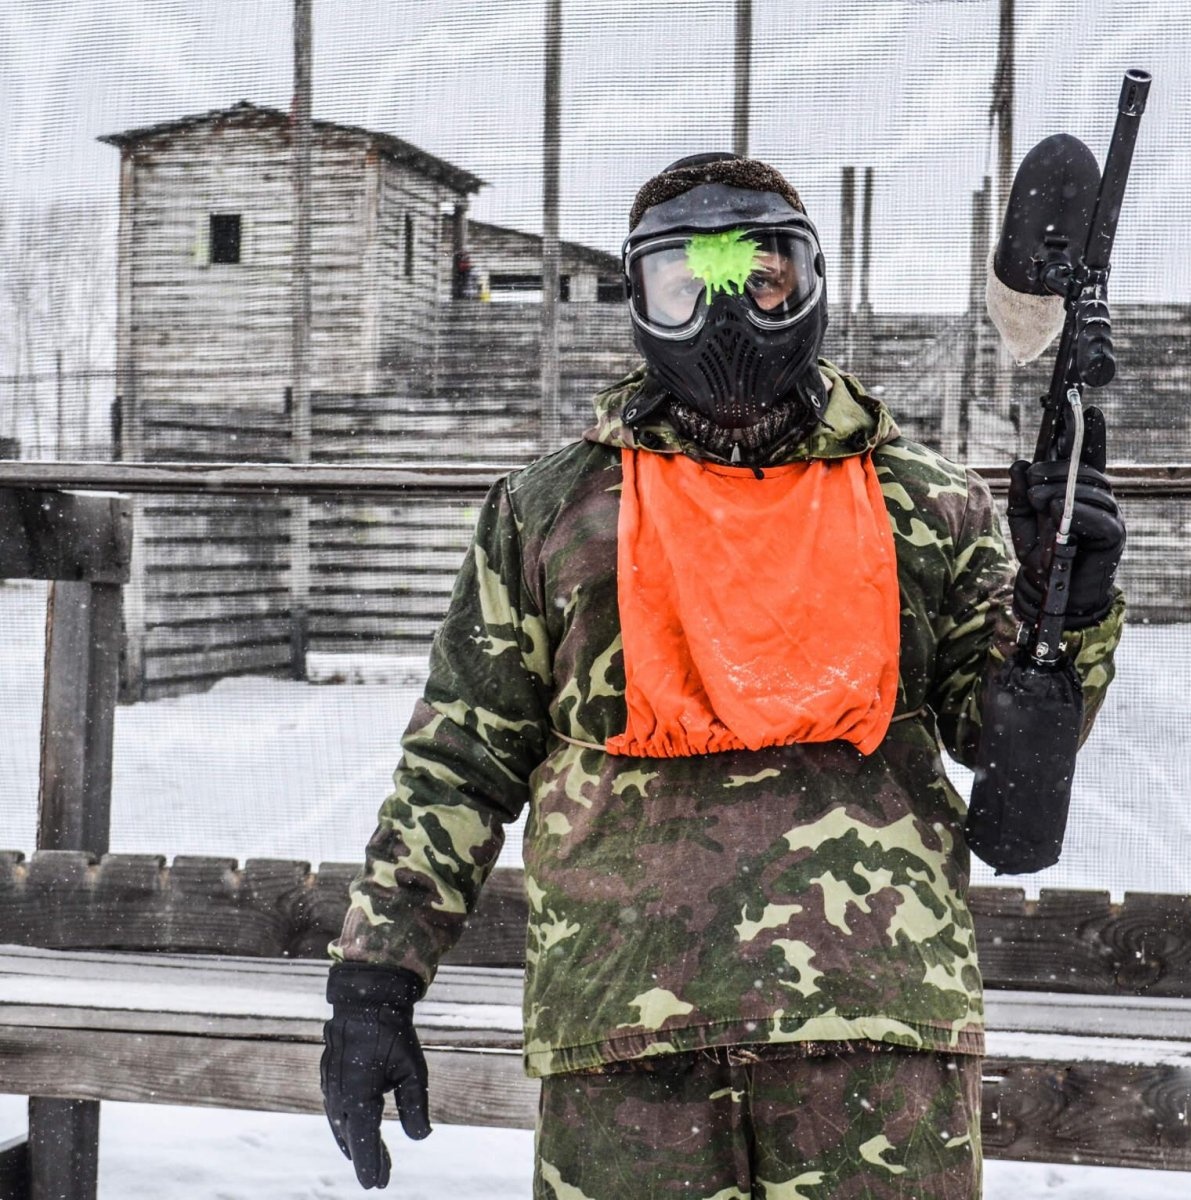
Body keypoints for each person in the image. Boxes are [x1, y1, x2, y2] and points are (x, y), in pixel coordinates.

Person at [320, 152, 1126, 1198]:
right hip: (626, 1039)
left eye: (763, 274)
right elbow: (460, 760)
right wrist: (374, 987)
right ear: (639, 296)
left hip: (871, 1032)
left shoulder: (923, 503)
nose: (729, 311)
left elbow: (1009, 749)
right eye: (684, 278)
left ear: (807, 283)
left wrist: (1065, 608)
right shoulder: (552, 512)